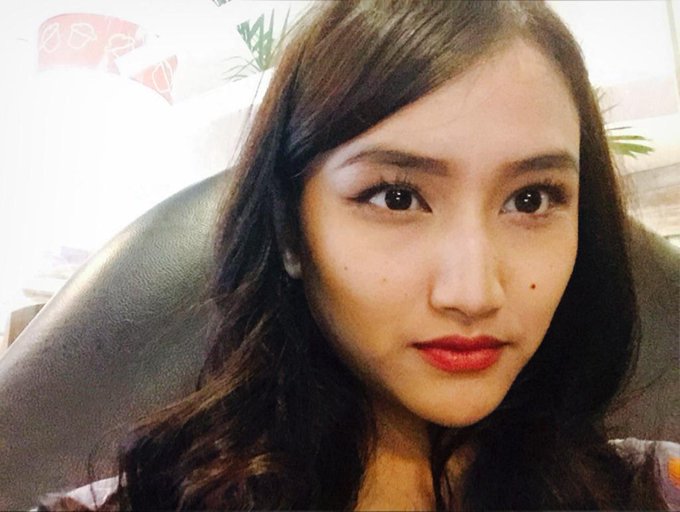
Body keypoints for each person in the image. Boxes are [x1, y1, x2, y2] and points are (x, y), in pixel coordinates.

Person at [38, 1, 679, 510]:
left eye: (531, 199)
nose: (474, 292)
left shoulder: (654, 489)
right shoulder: (143, 500)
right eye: (397, 198)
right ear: (291, 230)